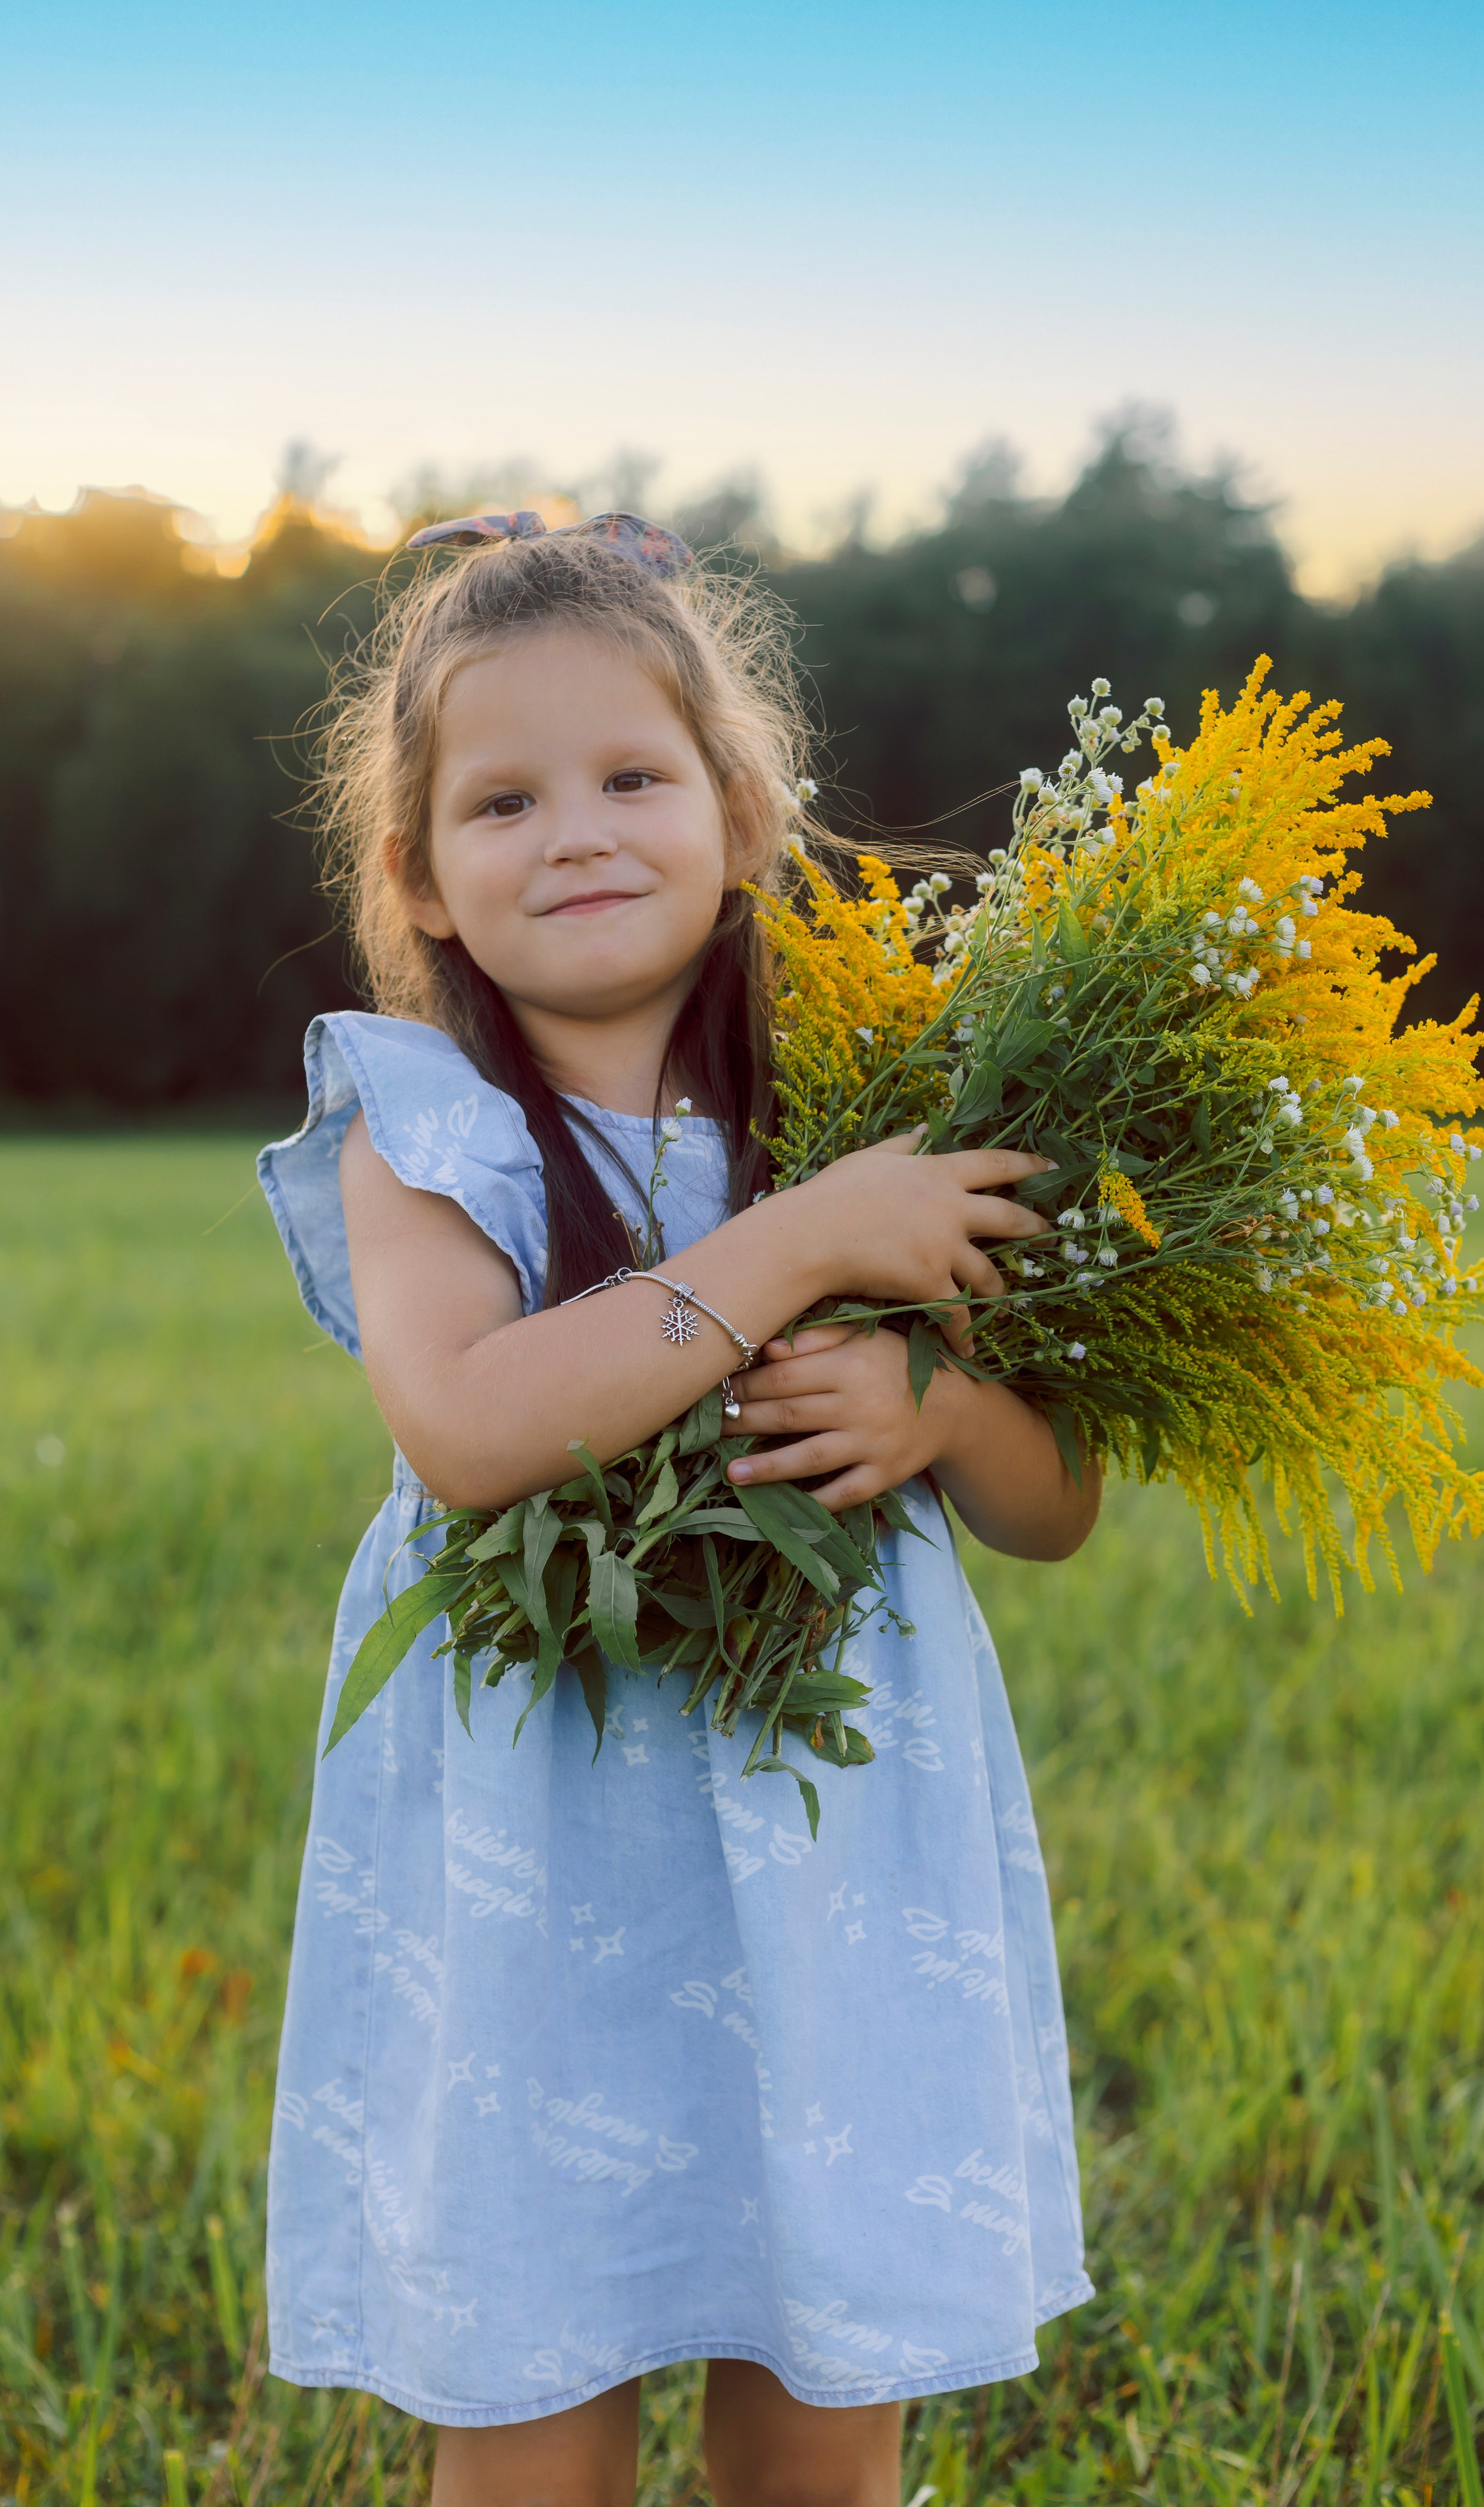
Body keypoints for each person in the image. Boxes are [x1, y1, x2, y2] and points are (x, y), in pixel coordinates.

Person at [258, 508, 1100, 2507]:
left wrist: (940, 1401)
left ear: (740, 812)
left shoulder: (880, 1090)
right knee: (536, 2399)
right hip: (544, 1853)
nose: (577, 831)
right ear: (422, 878)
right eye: (504, 799)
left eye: (634, 777)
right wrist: (811, 1244)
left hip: (828, 1849)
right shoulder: (424, 1123)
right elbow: (471, 1423)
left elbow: (1057, 1504)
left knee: (822, 2418)